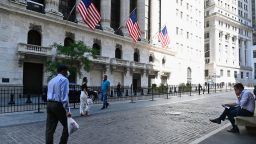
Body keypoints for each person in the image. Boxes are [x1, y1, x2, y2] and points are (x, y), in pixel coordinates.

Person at [46, 64, 71, 144]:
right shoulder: (64, 79)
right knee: (68, 125)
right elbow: (64, 96)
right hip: (58, 105)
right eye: (67, 71)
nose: (67, 73)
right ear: (63, 71)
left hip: (49, 104)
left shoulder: (51, 80)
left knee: (50, 129)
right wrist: (68, 110)